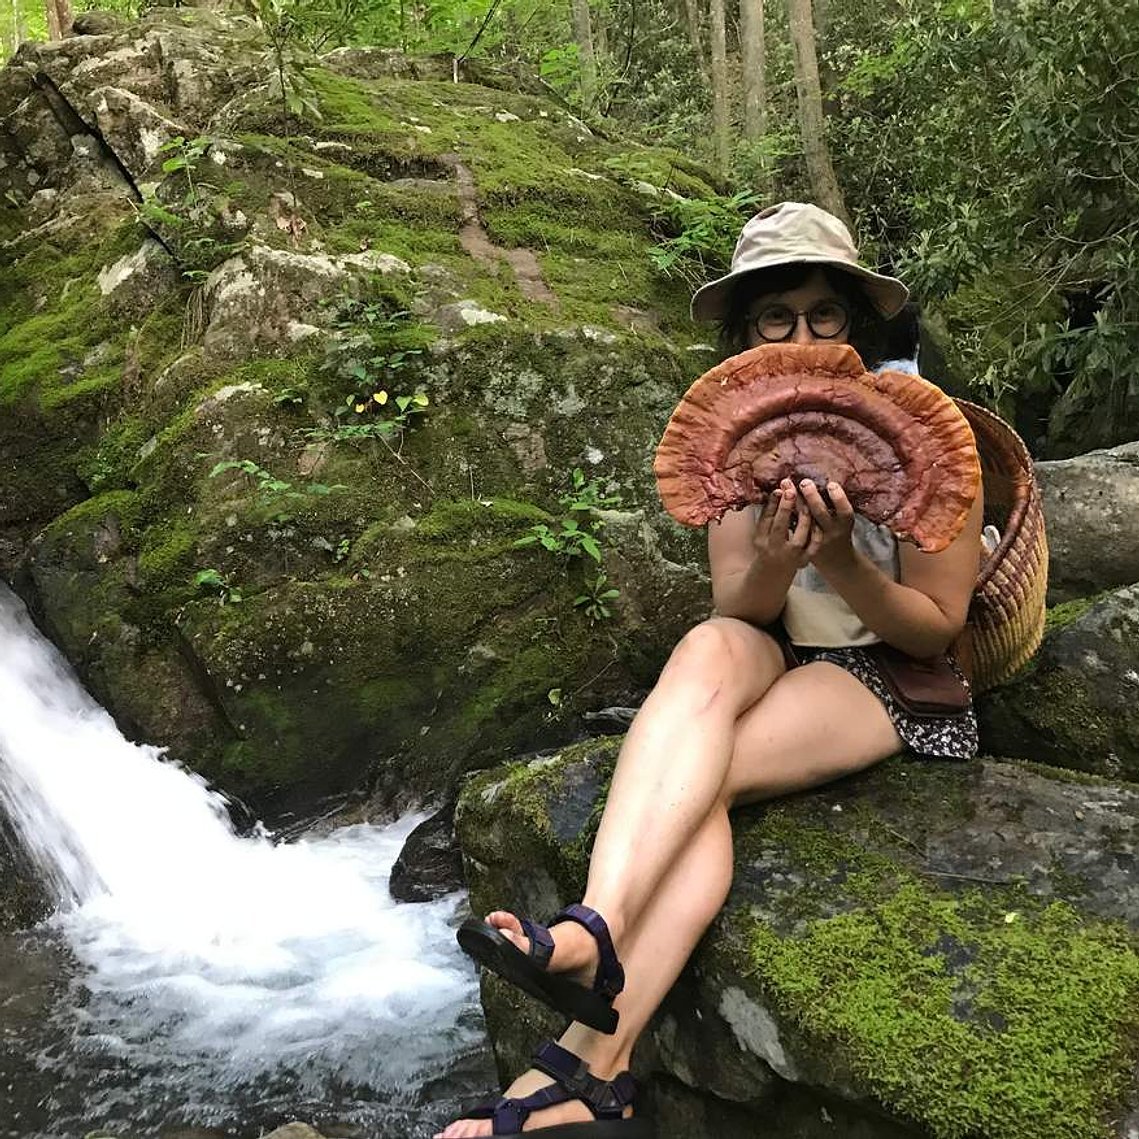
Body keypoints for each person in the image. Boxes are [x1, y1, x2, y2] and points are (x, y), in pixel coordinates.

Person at [437, 202, 984, 1139]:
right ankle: (591, 932)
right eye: (777, 315)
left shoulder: (927, 431)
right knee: (701, 647)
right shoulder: (739, 424)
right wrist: (779, 553)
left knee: (699, 783)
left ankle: (581, 1070)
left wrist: (849, 557)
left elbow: (936, 630)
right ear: (746, 330)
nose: (803, 335)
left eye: (825, 312)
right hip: (778, 649)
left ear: (859, 319)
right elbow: (739, 605)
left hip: (889, 673)